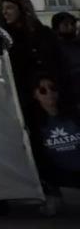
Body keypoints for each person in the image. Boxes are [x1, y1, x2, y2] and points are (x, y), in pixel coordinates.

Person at [0, 0, 62, 106]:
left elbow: (57, 62)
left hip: (49, 96)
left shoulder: (44, 33)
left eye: (9, 8)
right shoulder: (5, 37)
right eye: (3, 8)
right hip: (22, 98)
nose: (5, 12)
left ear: (22, 9)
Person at [28, 76, 80, 215]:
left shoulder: (74, 116)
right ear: (35, 95)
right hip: (58, 174)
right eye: (43, 90)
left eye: (53, 88)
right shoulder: (35, 125)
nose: (49, 93)